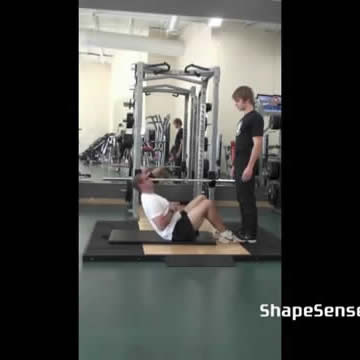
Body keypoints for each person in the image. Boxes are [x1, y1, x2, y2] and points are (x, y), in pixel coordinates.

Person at [132, 169, 240, 244]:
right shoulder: (149, 200)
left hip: (177, 220)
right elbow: (161, 225)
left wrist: (175, 208)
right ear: (141, 185)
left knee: (201, 198)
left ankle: (218, 231)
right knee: (207, 204)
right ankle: (225, 234)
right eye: (147, 179)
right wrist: (170, 209)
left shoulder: (150, 195)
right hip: (176, 231)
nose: (150, 179)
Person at [231, 86, 264, 243]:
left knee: (247, 199)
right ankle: (244, 229)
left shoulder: (256, 118)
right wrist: (233, 165)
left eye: (237, 101)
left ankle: (251, 234)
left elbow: (257, 145)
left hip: (246, 164)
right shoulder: (244, 118)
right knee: (241, 198)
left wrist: (250, 167)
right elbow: (240, 144)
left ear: (245, 99)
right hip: (239, 163)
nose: (235, 104)